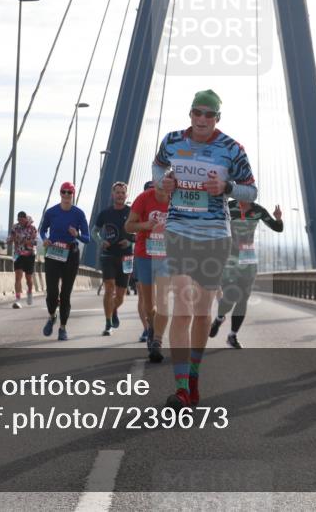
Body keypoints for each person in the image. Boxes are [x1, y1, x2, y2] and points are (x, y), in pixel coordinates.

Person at [154, 90, 256, 408]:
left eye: (209, 115)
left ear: (217, 119)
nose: (202, 119)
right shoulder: (172, 141)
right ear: (190, 114)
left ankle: (194, 378)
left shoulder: (232, 149)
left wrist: (226, 188)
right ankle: (182, 388)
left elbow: (251, 190)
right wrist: (163, 184)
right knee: (183, 306)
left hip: (214, 237)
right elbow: (158, 169)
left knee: (202, 313)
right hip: (179, 233)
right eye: (197, 113)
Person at [209, 201, 283, 348]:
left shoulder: (259, 210)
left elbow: (277, 228)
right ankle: (219, 318)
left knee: (243, 299)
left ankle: (232, 336)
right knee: (230, 295)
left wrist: (278, 218)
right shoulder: (228, 207)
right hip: (229, 258)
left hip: (248, 258)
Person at [125, 179, 172, 363]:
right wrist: (144, 225)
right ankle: (152, 328)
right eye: (159, 183)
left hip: (167, 256)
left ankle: (157, 342)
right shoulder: (143, 198)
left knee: (163, 300)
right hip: (145, 254)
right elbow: (128, 226)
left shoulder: (176, 199)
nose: (162, 188)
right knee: (148, 304)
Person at [38, 182, 90, 340]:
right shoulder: (51, 212)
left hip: (71, 254)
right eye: (64, 192)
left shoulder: (79, 214)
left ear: (73, 194)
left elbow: (87, 239)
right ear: (60, 193)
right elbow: (42, 230)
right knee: (52, 292)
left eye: (69, 192)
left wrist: (77, 234)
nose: (66, 195)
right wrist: (45, 239)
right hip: (54, 252)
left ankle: (62, 328)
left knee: (65, 294)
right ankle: (52, 316)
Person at [94, 182, 134, 335]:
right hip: (109, 255)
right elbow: (94, 232)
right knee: (109, 287)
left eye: (123, 193)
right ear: (113, 194)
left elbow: (140, 233)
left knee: (121, 296)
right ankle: (108, 323)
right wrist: (100, 242)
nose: (120, 195)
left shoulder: (132, 212)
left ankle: (114, 309)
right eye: (117, 192)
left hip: (127, 256)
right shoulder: (105, 213)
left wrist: (130, 241)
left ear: (126, 195)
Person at [8, 211, 38, 308]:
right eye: (18, 219)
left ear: (25, 218)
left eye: (21, 219)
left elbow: (35, 242)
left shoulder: (32, 228)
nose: (20, 221)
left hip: (29, 255)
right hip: (18, 254)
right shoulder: (15, 227)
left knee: (28, 278)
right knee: (18, 277)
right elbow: (10, 237)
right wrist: (10, 240)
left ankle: (29, 291)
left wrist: (25, 241)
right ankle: (17, 299)